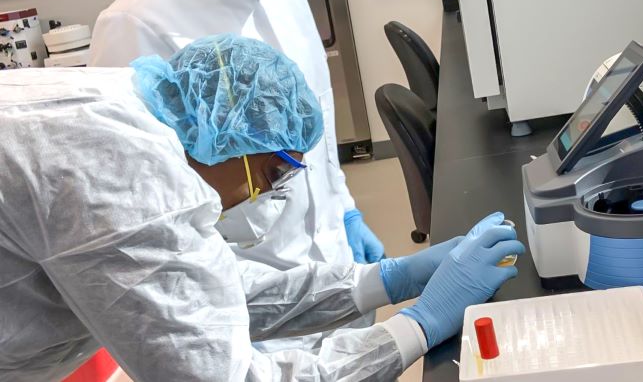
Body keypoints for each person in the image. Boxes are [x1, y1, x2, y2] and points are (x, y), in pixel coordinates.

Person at [0, 34, 525, 381]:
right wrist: (417, 325)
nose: (270, 195)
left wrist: (385, 280)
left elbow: (205, 288)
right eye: (274, 173)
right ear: (227, 140)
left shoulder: (142, 112)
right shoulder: (129, 180)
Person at [89, 0, 382, 271]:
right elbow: (134, 191)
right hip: (245, 276)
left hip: (332, 253)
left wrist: (346, 209)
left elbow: (317, 117)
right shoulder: (136, 21)